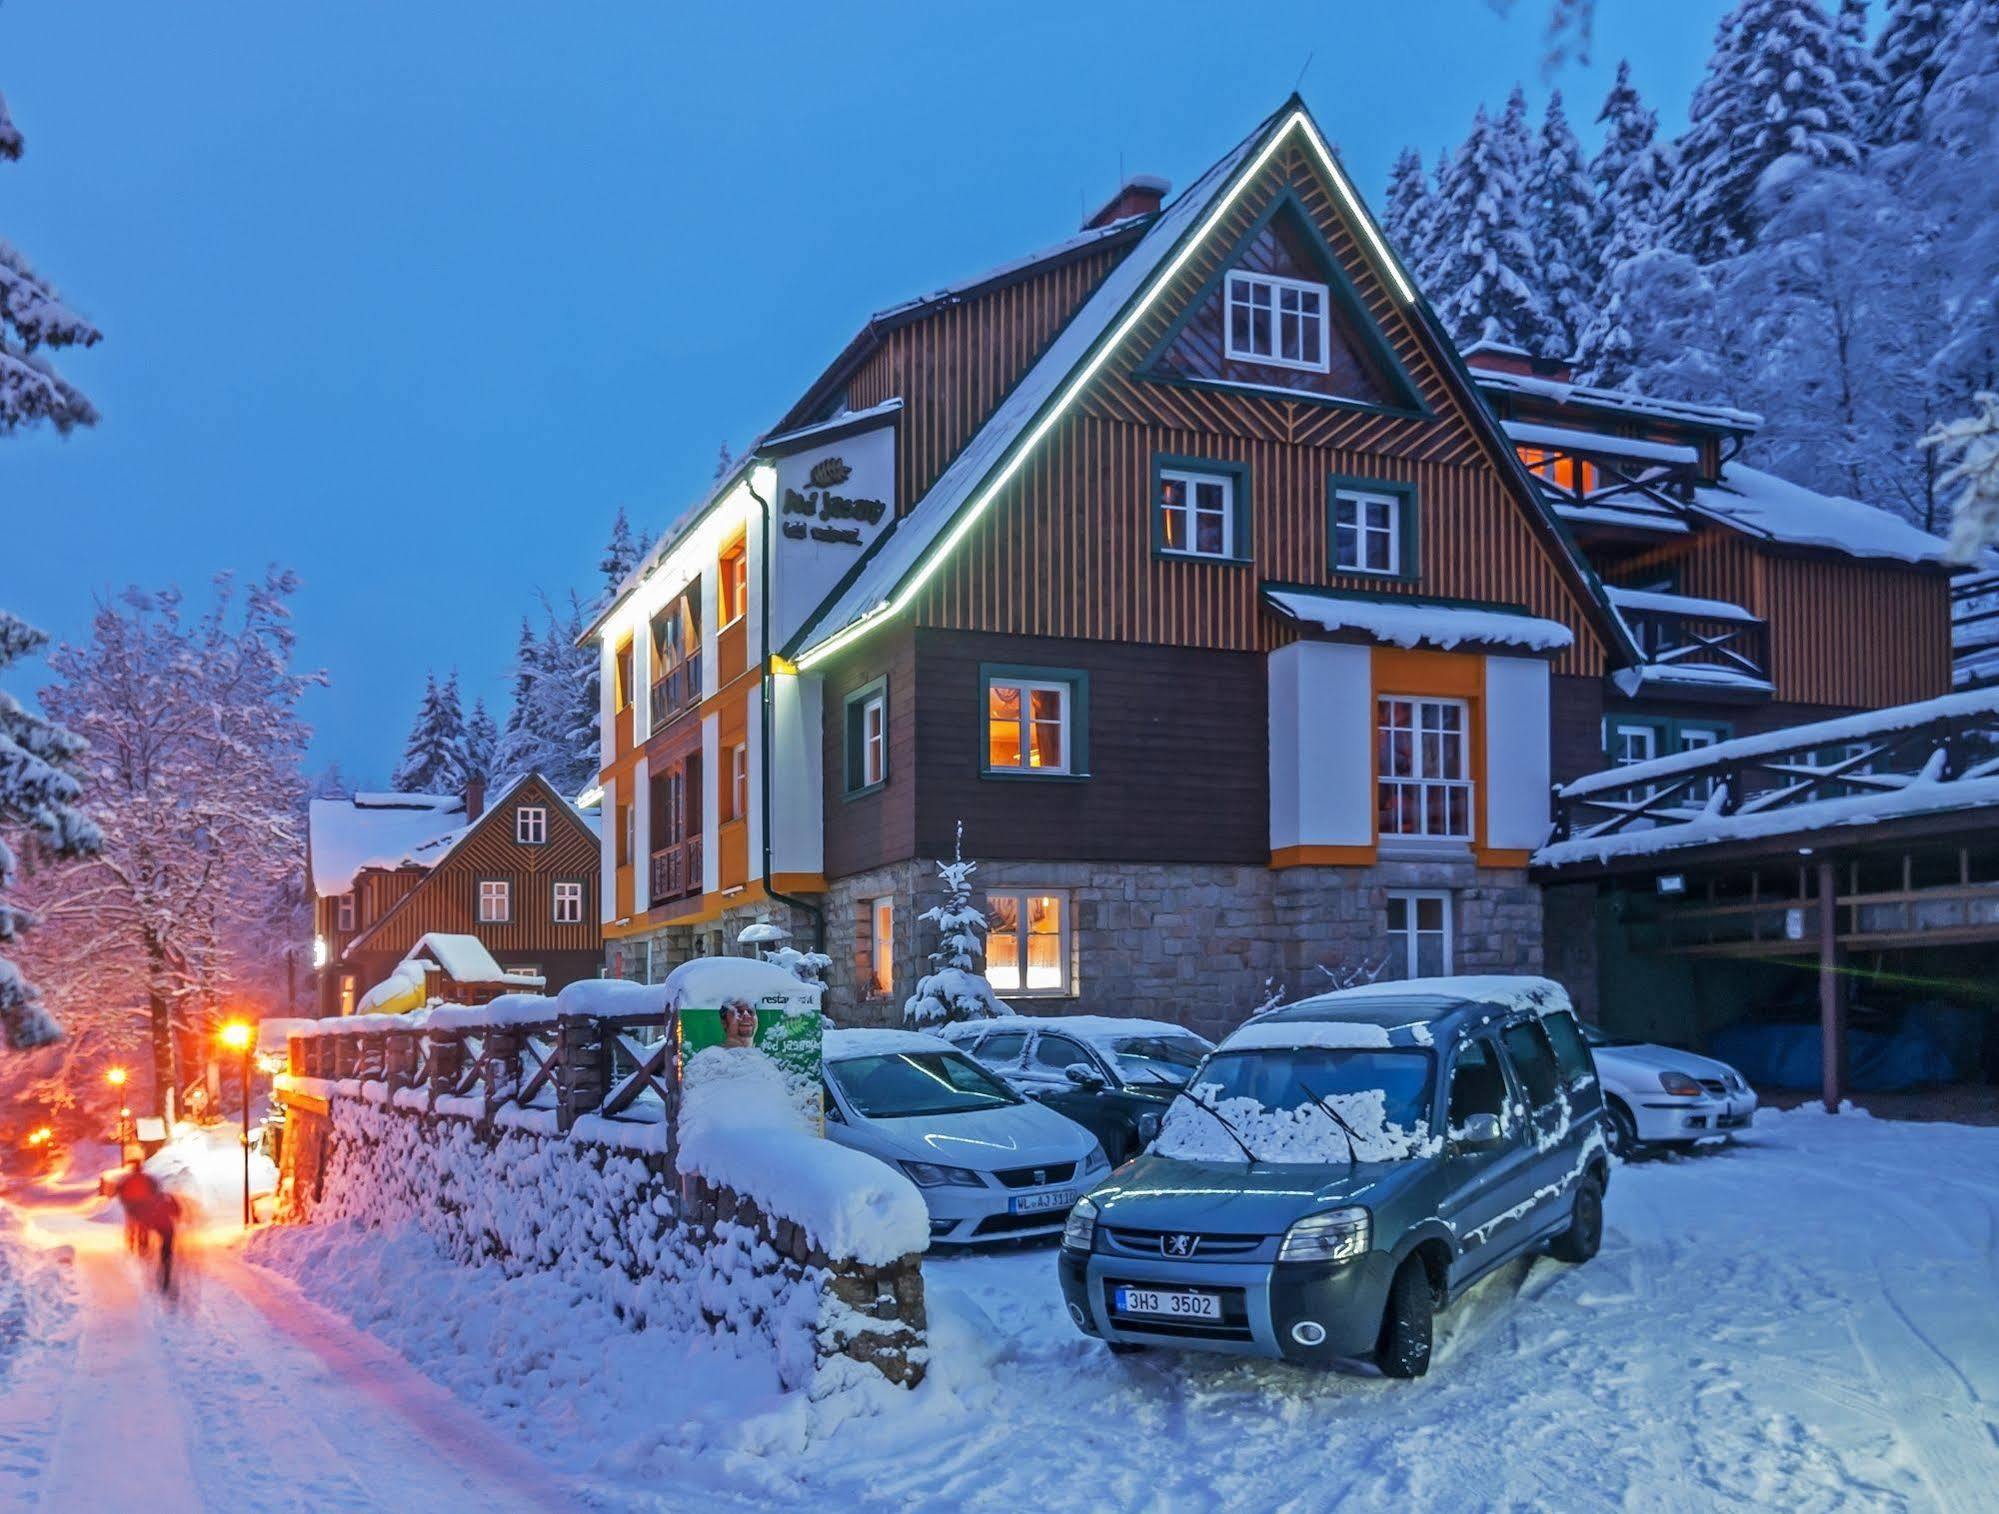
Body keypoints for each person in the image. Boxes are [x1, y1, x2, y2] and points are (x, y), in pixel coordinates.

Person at [114, 1159, 181, 1295]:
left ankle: (138, 1242)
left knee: (137, 1224)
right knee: (166, 1250)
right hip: (159, 1220)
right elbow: (172, 1207)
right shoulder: (150, 1182)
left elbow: (120, 1191)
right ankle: (165, 1272)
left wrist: (125, 1202)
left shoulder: (127, 1180)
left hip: (135, 1207)